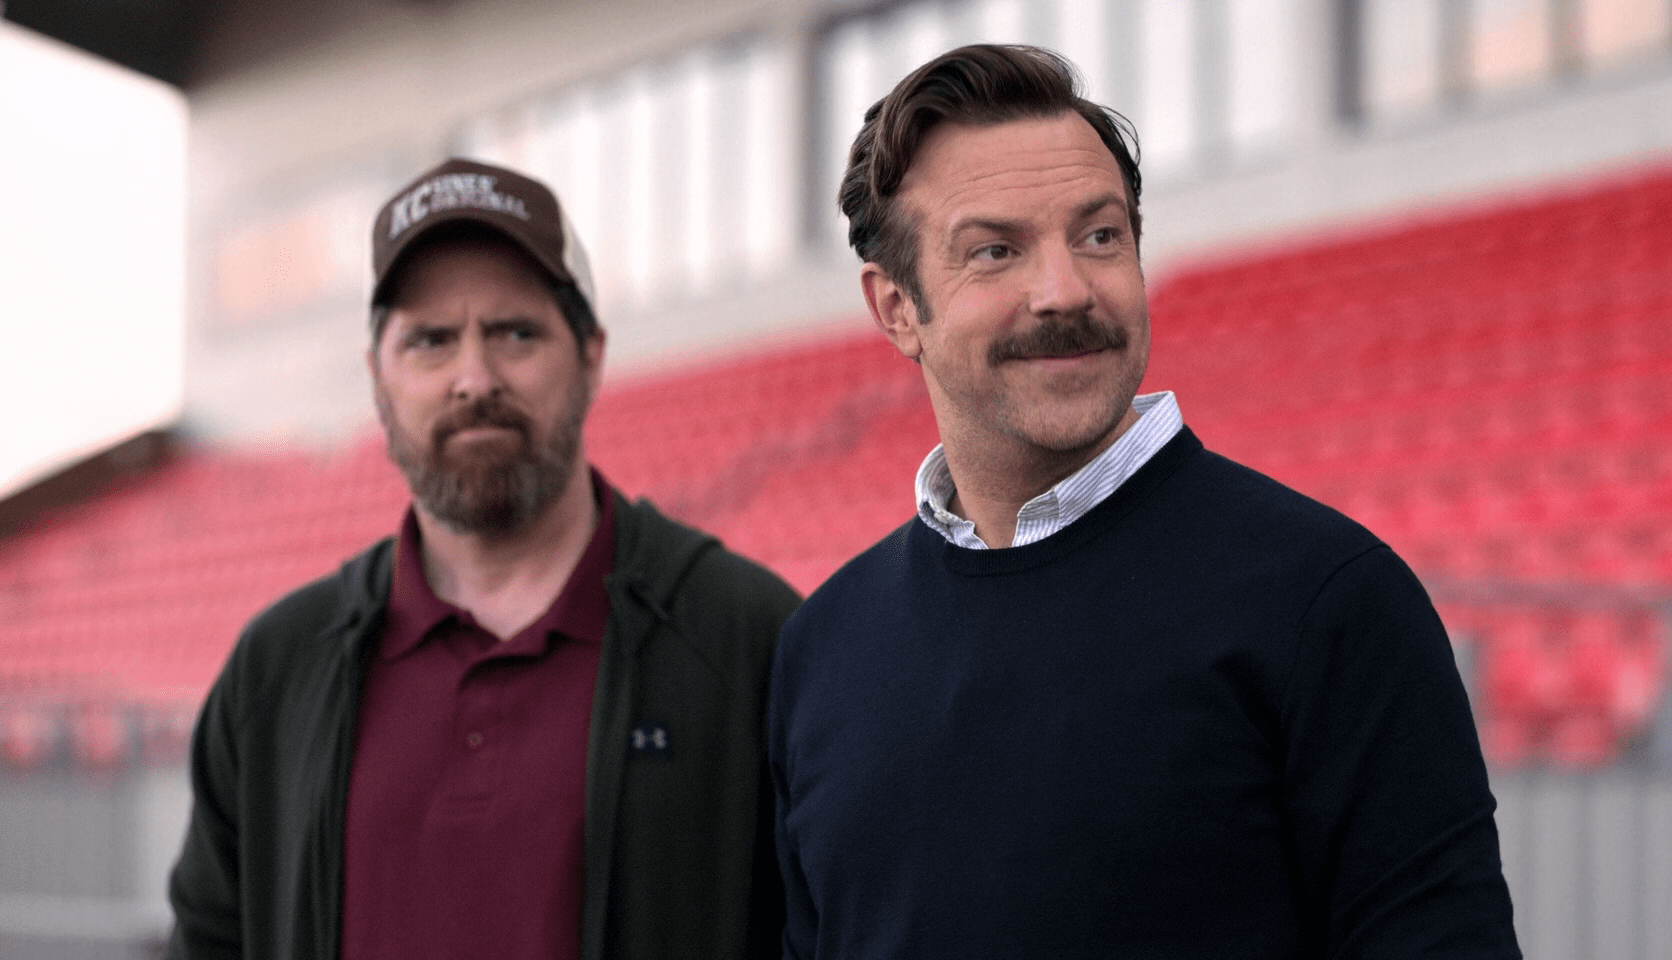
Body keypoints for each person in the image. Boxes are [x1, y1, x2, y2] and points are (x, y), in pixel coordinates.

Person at [769, 45, 1520, 958]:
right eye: (996, 251)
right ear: (896, 309)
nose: (1065, 291)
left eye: (1100, 236)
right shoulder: (822, 646)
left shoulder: (1328, 601)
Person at [167, 158, 800, 960]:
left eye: (515, 332)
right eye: (431, 341)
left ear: (592, 356)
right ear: (378, 380)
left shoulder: (748, 639)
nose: (474, 378)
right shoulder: (276, 670)